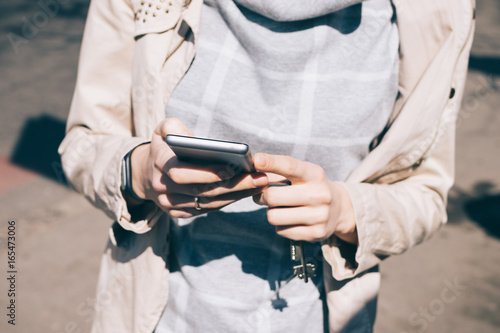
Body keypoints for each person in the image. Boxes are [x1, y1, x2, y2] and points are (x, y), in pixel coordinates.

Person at [59, 0, 475, 332]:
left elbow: (426, 194)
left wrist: (347, 211)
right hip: (157, 318)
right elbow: (82, 146)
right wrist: (141, 173)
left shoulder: (439, 10)